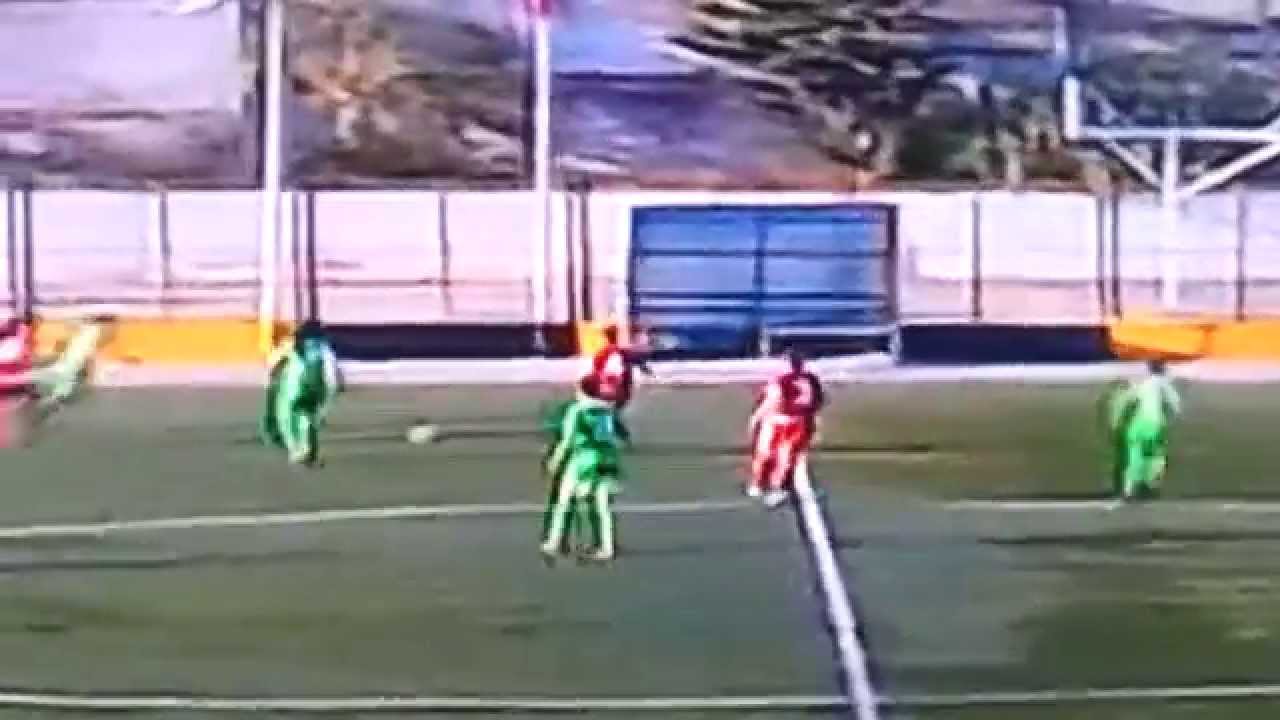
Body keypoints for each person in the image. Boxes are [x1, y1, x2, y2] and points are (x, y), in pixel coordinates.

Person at [541, 377, 627, 563]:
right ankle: (607, 546)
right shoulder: (605, 411)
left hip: (581, 460)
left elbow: (567, 440)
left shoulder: (577, 410)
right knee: (602, 506)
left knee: (564, 501)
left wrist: (555, 460)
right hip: (605, 459)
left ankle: (555, 542)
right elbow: (608, 437)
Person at [747, 348, 825, 508]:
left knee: (769, 453)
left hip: (779, 419)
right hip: (794, 420)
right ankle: (772, 486)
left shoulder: (783, 380)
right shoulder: (810, 379)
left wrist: (756, 417)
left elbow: (772, 401)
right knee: (782, 455)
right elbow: (816, 403)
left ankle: (760, 484)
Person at [261, 321, 340, 466]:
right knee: (306, 416)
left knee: (286, 414)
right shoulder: (324, 349)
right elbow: (332, 379)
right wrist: (325, 404)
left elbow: (272, 362)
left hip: (295, 384)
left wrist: (271, 380)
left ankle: (295, 448)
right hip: (315, 386)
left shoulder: (292, 346)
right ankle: (305, 448)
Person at [1108, 359, 1181, 501]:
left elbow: (1125, 401)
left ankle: (1129, 488)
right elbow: (1175, 405)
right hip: (1155, 424)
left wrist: (1116, 421)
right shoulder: (1163, 384)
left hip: (1137, 424)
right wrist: (1169, 415)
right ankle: (1148, 484)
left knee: (1135, 455)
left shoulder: (1141, 383)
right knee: (1155, 455)